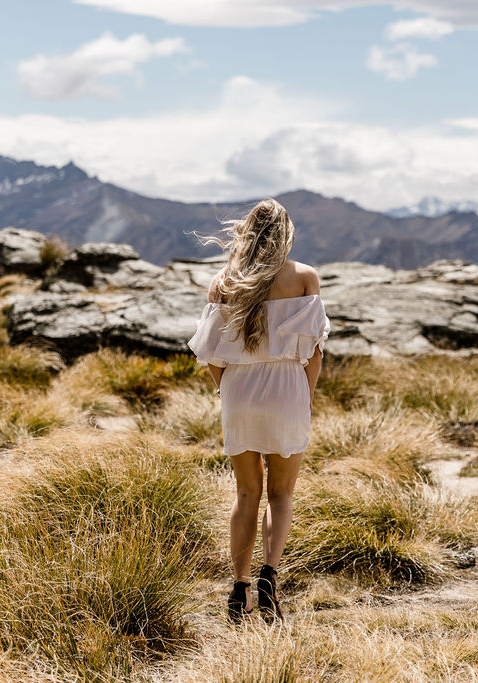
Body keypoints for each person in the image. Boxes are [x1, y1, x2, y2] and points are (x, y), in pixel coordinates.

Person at [188, 198, 329, 623]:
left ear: (246, 232)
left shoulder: (223, 282)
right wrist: (303, 396)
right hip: (288, 387)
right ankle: (270, 579)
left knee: (246, 494)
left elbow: (211, 354)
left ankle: (239, 589)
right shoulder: (304, 277)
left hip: (239, 389)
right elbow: (315, 350)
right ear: (285, 233)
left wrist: (227, 391)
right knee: (281, 494)